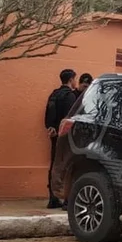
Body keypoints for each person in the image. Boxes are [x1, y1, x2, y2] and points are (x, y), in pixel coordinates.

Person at [44, 69, 78, 209]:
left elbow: (49, 111)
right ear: (71, 80)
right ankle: (67, 200)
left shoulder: (54, 94)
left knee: (54, 165)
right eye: (75, 79)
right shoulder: (70, 96)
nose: (76, 81)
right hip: (66, 137)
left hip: (54, 135)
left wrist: (50, 126)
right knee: (68, 167)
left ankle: (53, 198)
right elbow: (71, 118)